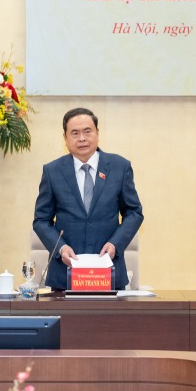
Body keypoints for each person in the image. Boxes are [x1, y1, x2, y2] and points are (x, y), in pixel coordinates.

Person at [33, 108, 143, 291]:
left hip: (109, 273)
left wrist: (116, 243)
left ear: (97, 133)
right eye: (74, 133)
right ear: (65, 138)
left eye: (87, 131)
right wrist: (60, 248)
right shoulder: (52, 171)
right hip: (65, 276)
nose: (82, 138)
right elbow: (41, 220)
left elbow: (134, 212)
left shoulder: (119, 167)